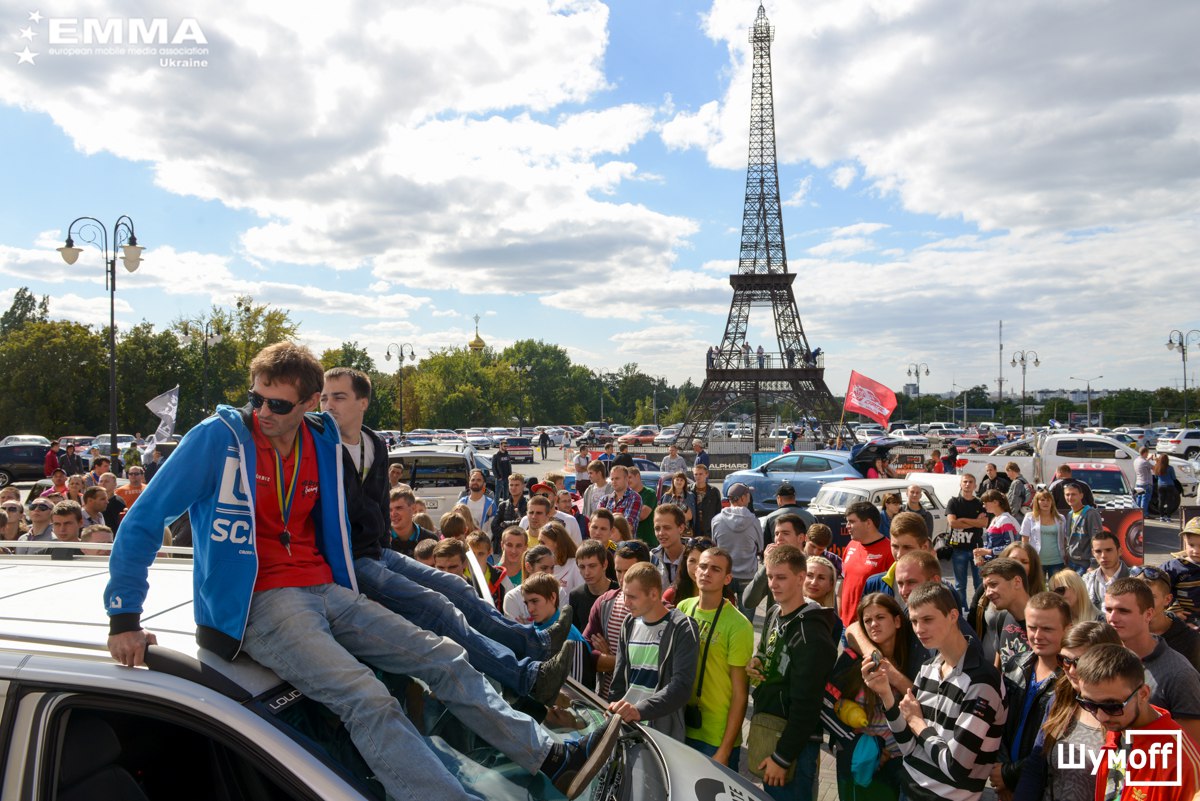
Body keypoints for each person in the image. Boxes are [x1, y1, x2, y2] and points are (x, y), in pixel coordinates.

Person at [104, 343, 619, 801]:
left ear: (310, 403)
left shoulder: (320, 438)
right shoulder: (218, 438)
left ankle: (552, 759)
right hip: (260, 602)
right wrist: (124, 617)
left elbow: (356, 449)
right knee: (368, 697)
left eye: (278, 404)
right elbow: (144, 518)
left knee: (444, 655)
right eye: (255, 397)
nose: (261, 412)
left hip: (325, 586)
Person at [867, 583, 1006, 801]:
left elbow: (956, 767)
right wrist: (885, 694)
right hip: (908, 790)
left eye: (928, 619)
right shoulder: (928, 669)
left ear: (953, 616)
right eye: (914, 621)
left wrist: (917, 722)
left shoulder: (982, 682)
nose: (919, 629)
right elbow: (908, 747)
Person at [747, 545, 838, 799]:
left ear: (800, 578)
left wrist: (782, 757)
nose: (773, 584)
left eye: (781, 577)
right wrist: (758, 661)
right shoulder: (775, 611)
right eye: (770, 576)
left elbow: (807, 705)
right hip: (770, 730)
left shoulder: (812, 634)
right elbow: (766, 650)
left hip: (795, 745)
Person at [1009, 620, 1122, 801]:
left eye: (1080, 662)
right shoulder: (1059, 699)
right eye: (1064, 660)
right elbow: (1035, 766)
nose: (1071, 670)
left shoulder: (1123, 713)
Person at [1077, 643, 1200, 800]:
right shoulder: (1118, 727)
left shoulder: (1181, 764)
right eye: (1089, 704)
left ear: (1143, 694)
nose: (1101, 717)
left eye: (1112, 706)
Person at [826, 592, 914, 800]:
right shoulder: (852, 659)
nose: (874, 624)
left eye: (880, 617)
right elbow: (825, 705)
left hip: (899, 763)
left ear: (897, 621)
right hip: (860, 760)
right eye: (868, 620)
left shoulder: (911, 658)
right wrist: (861, 744)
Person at [677, 547, 753, 767]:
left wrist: (725, 750)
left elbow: (740, 694)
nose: (706, 572)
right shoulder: (683, 607)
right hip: (681, 725)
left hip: (716, 736)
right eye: (702, 566)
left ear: (727, 579)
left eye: (715, 569)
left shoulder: (739, 625)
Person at [607, 562, 700, 740]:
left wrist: (639, 711)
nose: (626, 603)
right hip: (626, 728)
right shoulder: (629, 623)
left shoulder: (682, 627)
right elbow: (618, 680)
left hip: (660, 735)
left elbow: (681, 686)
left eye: (632, 597)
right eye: (624, 595)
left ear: (654, 594)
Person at [1102, 577, 1200, 744]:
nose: (1112, 618)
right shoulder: (1103, 658)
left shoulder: (1179, 674)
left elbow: (1191, 746)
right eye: (1108, 609)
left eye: (1123, 611)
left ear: (1148, 614)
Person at [993, 591, 1070, 796]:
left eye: (1047, 629)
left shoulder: (1072, 681)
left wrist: (1009, 774)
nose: (1037, 636)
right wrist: (1001, 773)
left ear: (1068, 629)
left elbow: (1058, 748)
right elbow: (999, 722)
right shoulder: (1014, 665)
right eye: (1032, 627)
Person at [584, 540, 652, 699]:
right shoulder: (604, 603)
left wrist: (610, 659)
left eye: (628, 571)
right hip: (606, 701)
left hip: (642, 704)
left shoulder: (660, 611)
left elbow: (650, 666)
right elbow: (585, 654)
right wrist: (622, 662)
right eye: (618, 571)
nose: (622, 578)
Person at [521, 573, 589, 687]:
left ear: (553, 597)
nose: (530, 609)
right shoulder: (531, 631)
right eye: (526, 603)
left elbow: (578, 688)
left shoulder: (570, 636)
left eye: (535, 601)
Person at [710, 482, 763, 616]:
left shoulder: (716, 520)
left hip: (724, 573)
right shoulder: (754, 521)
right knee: (746, 620)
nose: (749, 498)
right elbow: (760, 546)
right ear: (743, 498)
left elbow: (715, 545)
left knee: (722, 617)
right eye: (748, 495)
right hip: (748, 575)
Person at [839, 501, 894, 628]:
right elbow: (843, 581)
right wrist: (841, 614)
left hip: (870, 627)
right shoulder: (851, 545)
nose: (847, 526)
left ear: (868, 523)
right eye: (847, 522)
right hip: (845, 625)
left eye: (852, 521)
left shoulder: (889, 551)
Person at [1132, 564, 1200, 665]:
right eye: (1134, 596)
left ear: (1167, 600)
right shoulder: (1119, 629)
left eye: (1150, 597)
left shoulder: (1188, 640)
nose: (1141, 603)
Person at [863, 512, 933, 598]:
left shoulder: (939, 588)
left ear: (924, 547)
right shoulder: (874, 585)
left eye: (907, 547)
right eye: (895, 546)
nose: (899, 555)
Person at [981, 557, 1033, 670]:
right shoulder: (1002, 617)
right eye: (985, 587)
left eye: (993, 584)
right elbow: (998, 670)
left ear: (1017, 582)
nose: (988, 593)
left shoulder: (1045, 620)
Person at [946, 473, 988, 611]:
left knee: (980, 583)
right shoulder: (953, 502)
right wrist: (975, 522)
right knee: (960, 585)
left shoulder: (980, 503)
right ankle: (962, 611)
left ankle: (978, 611)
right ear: (960, 484)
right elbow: (953, 523)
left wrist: (963, 520)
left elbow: (984, 523)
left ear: (975, 485)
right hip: (958, 548)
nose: (967, 484)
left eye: (970, 482)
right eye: (965, 481)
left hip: (977, 549)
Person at [569, 540, 618, 635]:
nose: (587, 572)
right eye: (582, 567)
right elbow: (575, 634)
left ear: (604, 565)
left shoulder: (619, 592)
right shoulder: (575, 595)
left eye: (592, 566)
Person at [1019, 489, 1067, 580]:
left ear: (1052, 502)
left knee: (1057, 587)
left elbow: (1064, 539)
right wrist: (1026, 556)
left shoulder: (1061, 518)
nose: (1046, 503)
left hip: (1057, 560)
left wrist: (1066, 555)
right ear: (1037, 502)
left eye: (1048, 500)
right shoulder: (1030, 517)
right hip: (1037, 560)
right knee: (1037, 587)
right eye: (1042, 500)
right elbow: (1025, 539)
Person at [504, 545, 557, 624]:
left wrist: (526, 628)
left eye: (552, 568)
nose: (549, 573)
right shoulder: (512, 597)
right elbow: (515, 631)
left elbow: (561, 627)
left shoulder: (559, 592)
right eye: (544, 568)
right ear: (528, 567)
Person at [1161, 515, 1200, 621]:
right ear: (1184, 542)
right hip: (1184, 615)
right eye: (1191, 545)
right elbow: (1160, 590)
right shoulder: (1173, 567)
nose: (1196, 551)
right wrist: (1173, 610)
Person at [1082, 530, 1130, 610]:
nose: (1103, 555)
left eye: (1108, 550)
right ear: (1093, 553)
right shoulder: (1087, 580)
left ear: (1120, 551)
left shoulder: (1135, 578)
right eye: (1098, 551)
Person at [387, 487, 439, 557]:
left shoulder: (430, 538)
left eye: (399, 508)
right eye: (390, 510)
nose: (393, 514)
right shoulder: (380, 539)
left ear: (413, 508)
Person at [1063, 482, 1102, 572]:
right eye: (1067, 494)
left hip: (1085, 564)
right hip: (1071, 562)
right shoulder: (1070, 514)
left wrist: (1093, 564)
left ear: (1081, 496)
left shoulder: (1091, 513)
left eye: (1073, 494)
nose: (1070, 497)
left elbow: (1097, 539)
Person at [973, 489, 1019, 563]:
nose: (984, 506)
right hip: (993, 562)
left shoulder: (1006, 520)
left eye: (985, 503)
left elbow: (1011, 546)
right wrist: (983, 556)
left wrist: (988, 552)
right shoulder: (995, 519)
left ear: (995, 502)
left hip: (1002, 563)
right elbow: (990, 544)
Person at [649, 503, 690, 588]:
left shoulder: (696, 557)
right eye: (657, 528)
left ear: (681, 528)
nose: (661, 533)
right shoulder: (651, 559)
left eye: (667, 528)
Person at [539, 521, 584, 595]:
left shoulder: (575, 565)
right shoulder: (538, 565)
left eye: (542, 543)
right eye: (539, 542)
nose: (539, 546)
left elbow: (581, 593)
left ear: (557, 543)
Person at [490, 473, 528, 552]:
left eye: (517, 485)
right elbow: (494, 526)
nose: (513, 488)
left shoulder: (528, 505)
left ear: (523, 486)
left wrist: (505, 524)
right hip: (502, 547)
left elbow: (524, 524)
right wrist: (508, 536)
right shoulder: (503, 505)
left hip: (521, 546)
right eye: (511, 485)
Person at [598, 465, 642, 532]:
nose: (614, 481)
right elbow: (598, 523)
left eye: (617, 478)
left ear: (626, 479)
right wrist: (619, 518)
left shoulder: (634, 498)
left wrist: (607, 520)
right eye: (612, 479)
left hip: (624, 539)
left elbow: (628, 526)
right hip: (605, 538)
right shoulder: (604, 499)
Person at [691, 462, 722, 539]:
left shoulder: (714, 491)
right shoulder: (688, 490)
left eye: (700, 474)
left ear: (706, 474)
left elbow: (718, 512)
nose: (698, 476)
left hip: (709, 530)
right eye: (696, 474)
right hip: (692, 530)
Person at [629, 467, 657, 547]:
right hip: (632, 542)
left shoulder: (649, 493)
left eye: (630, 477)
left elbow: (642, 515)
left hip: (648, 543)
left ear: (637, 476)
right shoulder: (627, 496)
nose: (627, 481)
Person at [498, 525, 530, 595]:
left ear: (526, 547)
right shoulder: (492, 573)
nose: (513, 551)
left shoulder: (530, 576)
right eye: (509, 545)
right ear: (502, 545)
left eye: (518, 546)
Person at [1152, 453, 1177, 521]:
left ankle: (1161, 516)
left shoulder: (1157, 467)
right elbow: (1174, 478)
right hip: (1170, 485)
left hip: (1160, 485)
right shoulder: (1170, 468)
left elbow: (1156, 477)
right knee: (1169, 502)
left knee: (1161, 501)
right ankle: (1168, 517)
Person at [1134, 446, 1155, 516]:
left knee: (1139, 499)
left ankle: (1138, 513)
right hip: (1146, 483)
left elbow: (1144, 463)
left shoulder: (1136, 460)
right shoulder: (1145, 462)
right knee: (1145, 499)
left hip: (1138, 482)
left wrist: (1148, 459)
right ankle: (1144, 514)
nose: (1147, 455)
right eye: (1147, 453)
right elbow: (1154, 468)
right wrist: (1157, 460)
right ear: (1145, 452)